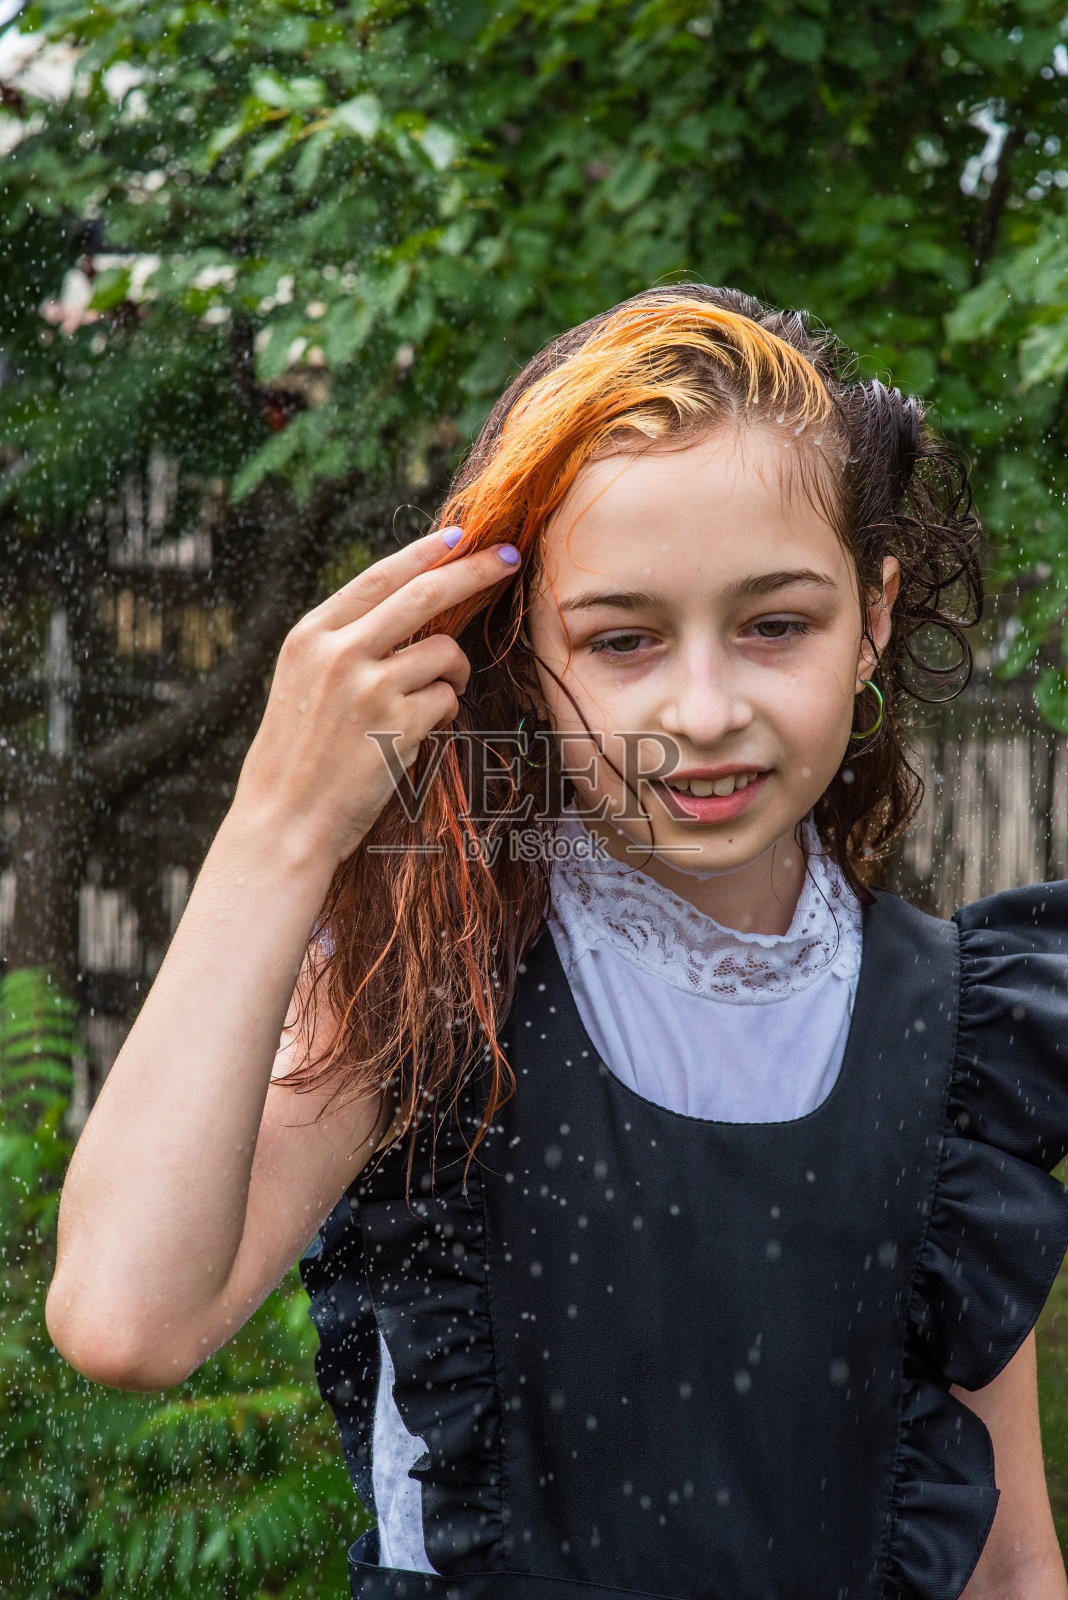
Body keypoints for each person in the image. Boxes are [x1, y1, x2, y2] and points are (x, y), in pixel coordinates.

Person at [45, 285, 1068, 1600]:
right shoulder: (432, 969)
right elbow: (129, 1319)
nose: (704, 710)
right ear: (520, 651)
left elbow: (1012, 1562)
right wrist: (282, 824)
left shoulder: (964, 1031)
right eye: (624, 640)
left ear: (872, 615)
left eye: (775, 624)